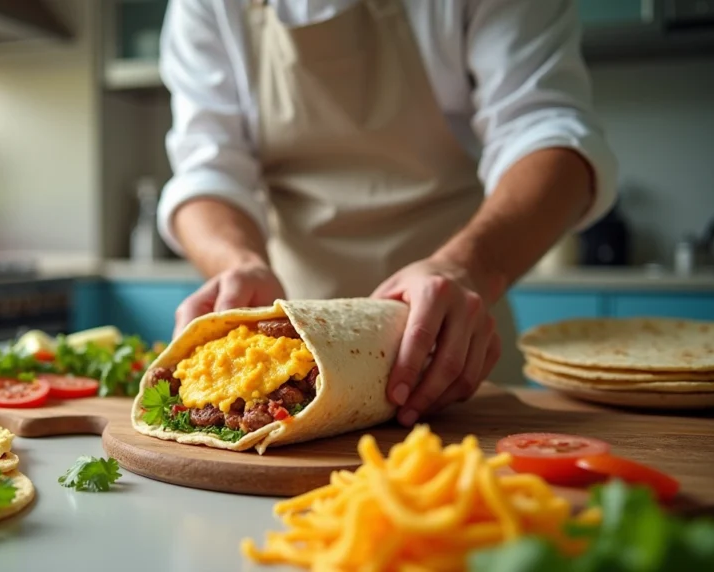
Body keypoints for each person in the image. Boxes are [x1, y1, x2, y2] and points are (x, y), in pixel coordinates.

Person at [156, 0, 618, 426]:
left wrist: (465, 268)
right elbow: (208, 171)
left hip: (452, 341)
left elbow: (549, 132)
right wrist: (238, 264)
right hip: (289, 332)